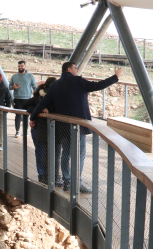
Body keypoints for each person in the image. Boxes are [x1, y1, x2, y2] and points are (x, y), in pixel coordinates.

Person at [30, 61, 123, 193]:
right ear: (69, 69)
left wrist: (32, 118)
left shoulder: (55, 85)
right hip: (78, 126)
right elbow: (98, 85)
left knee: (66, 154)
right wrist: (115, 77)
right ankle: (76, 184)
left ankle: (67, 182)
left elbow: (43, 103)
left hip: (62, 126)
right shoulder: (78, 81)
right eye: (75, 68)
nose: (77, 70)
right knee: (80, 154)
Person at [24, 77, 61, 184]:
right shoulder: (53, 96)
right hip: (48, 128)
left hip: (40, 128)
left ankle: (44, 176)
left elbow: (26, 105)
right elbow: (27, 106)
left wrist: (35, 113)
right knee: (51, 153)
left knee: (42, 152)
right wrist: (38, 110)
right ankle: (50, 176)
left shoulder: (39, 96)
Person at [10, 60, 37, 138]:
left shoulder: (31, 76)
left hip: (27, 99)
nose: (20, 67)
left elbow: (35, 87)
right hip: (17, 98)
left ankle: (25, 131)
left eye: (21, 66)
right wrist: (13, 87)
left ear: (25, 66)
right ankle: (17, 131)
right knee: (17, 115)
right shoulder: (14, 76)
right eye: (19, 66)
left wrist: (37, 96)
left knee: (26, 116)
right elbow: (9, 87)